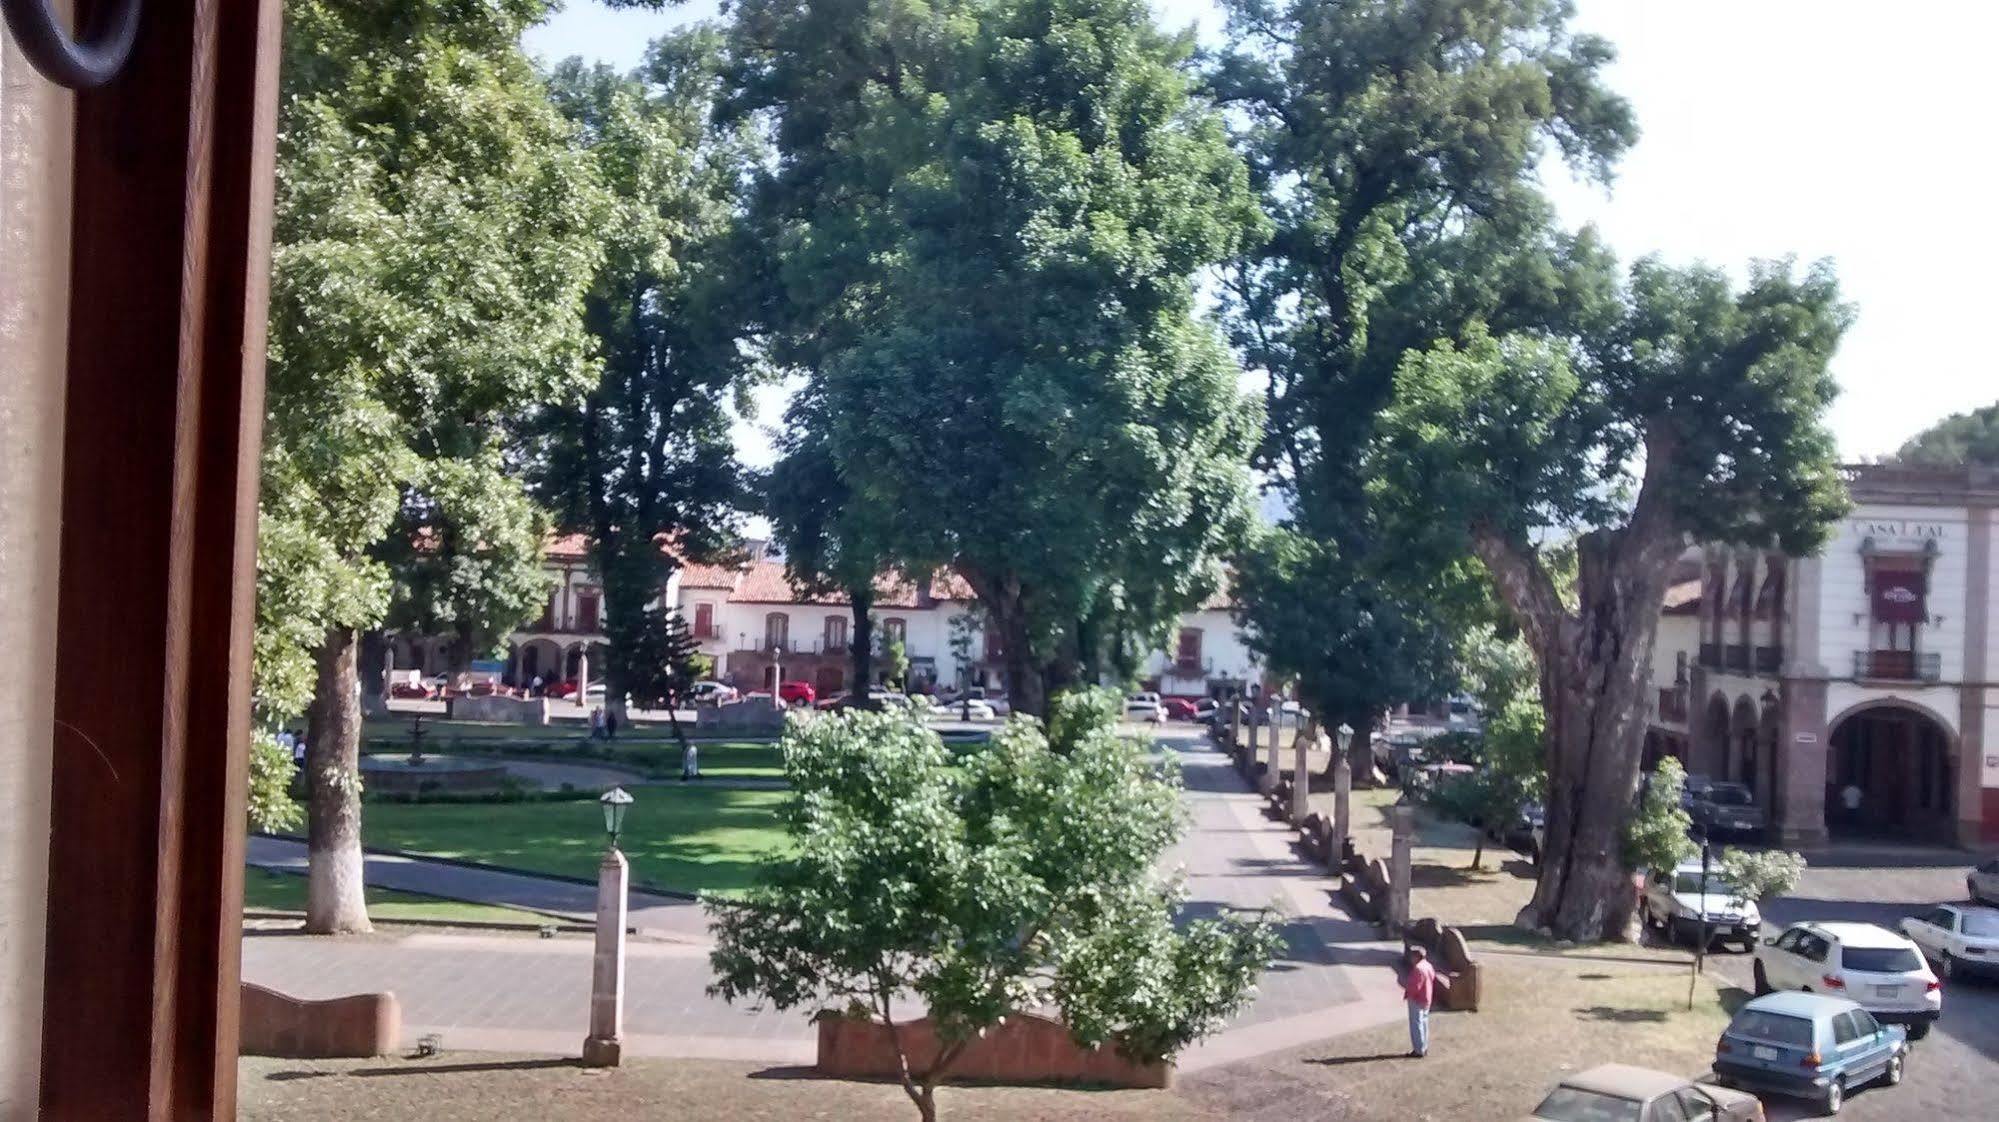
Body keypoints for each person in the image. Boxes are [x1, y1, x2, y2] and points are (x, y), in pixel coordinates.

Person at [1402, 945, 1436, 1058]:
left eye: (1412, 955)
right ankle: (1424, 1046)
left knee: (1416, 1024)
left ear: (1417, 956)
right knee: (1424, 1022)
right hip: (1427, 997)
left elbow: (1415, 987)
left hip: (1417, 999)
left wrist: (1408, 995)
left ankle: (1418, 1050)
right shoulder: (1428, 965)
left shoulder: (1418, 969)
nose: (1411, 958)